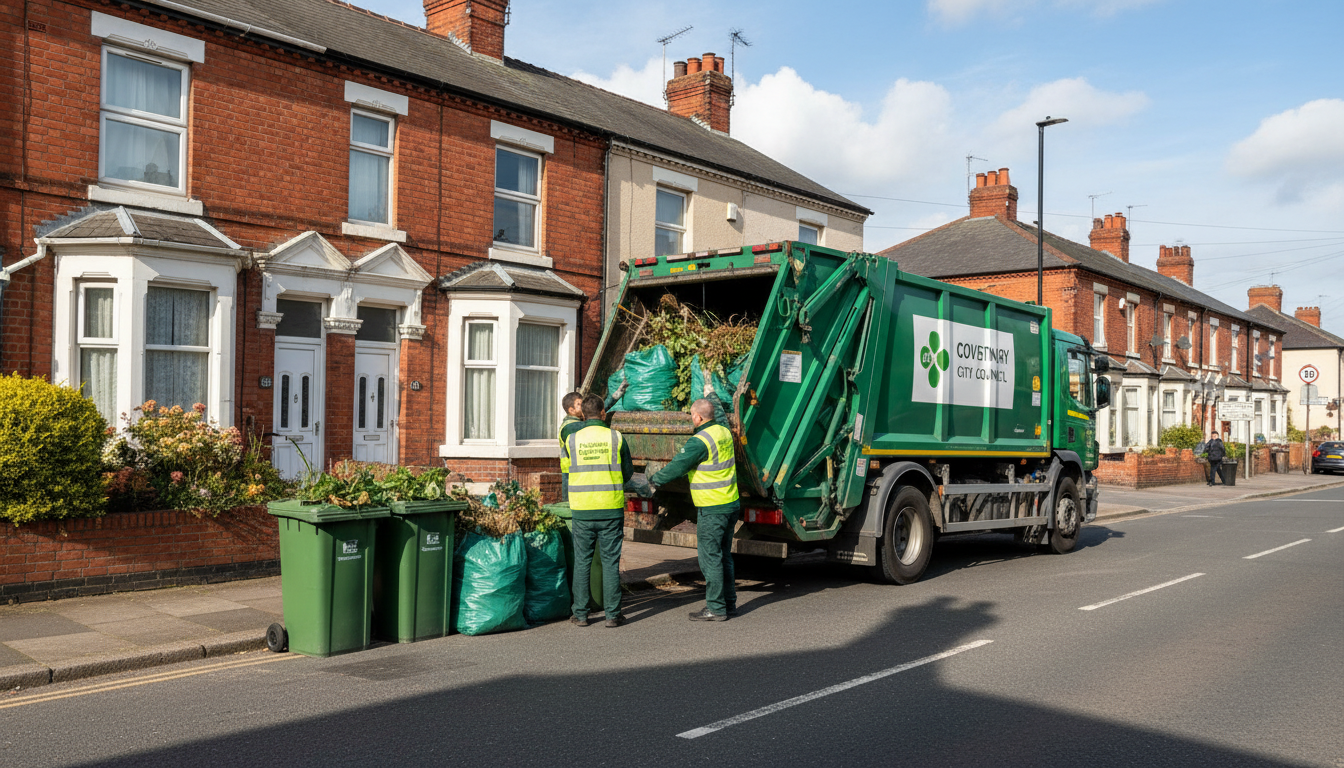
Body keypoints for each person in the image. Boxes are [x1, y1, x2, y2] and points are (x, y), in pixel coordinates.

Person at [648, 398, 740, 622]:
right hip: (730, 503)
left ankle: (716, 608)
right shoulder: (723, 432)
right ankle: (729, 603)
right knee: (724, 555)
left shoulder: (699, 441)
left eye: (692, 415)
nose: (691, 418)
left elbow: (678, 466)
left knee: (710, 557)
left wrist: (653, 481)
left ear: (698, 417)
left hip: (712, 507)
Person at [564, 394, 633, 628]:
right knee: (610, 562)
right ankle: (613, 615)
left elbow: (568, 467)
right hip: (610, 508)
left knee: (582, 562)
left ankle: (581, 614)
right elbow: (628, 471)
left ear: (583, 413)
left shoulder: (572, 439)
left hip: (582, 509)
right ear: (603, 413)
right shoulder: (616, 437)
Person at [559, 383, 628, 501]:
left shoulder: (577, 423)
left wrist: (612, 399)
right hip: (571, 478)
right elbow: (592, 420)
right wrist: (601, 412)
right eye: (580, 405)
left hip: (580, 475)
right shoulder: (569, 427)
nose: (584, 406)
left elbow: (592, 416)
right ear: (571, 410)